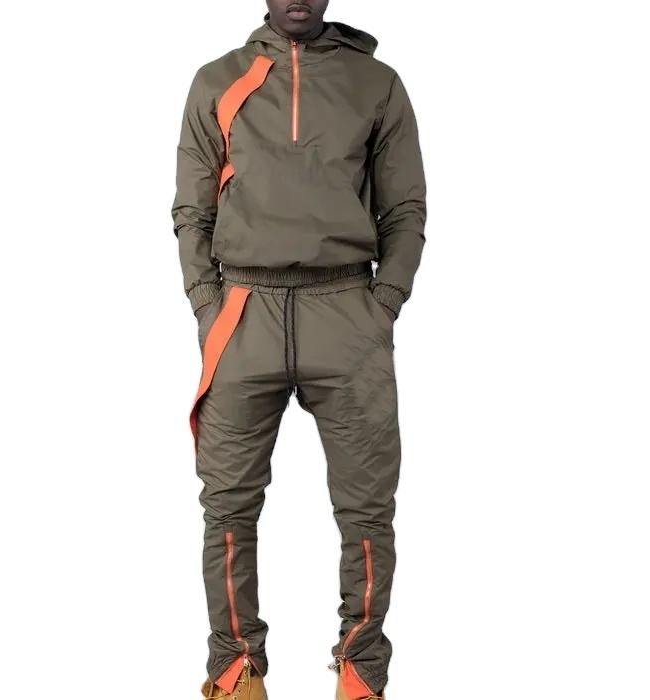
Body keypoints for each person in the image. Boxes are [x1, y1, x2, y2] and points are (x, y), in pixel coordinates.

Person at [172, 1, 426, 698]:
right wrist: (207, 304)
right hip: (243, 309)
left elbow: (405, 208)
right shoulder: (217, 80)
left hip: (345, 308)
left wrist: (383, 303)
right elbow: (191, 210)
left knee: (367, 508)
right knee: (227, 505)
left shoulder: (376, 83)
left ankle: (361, 672)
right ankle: (236, 669)